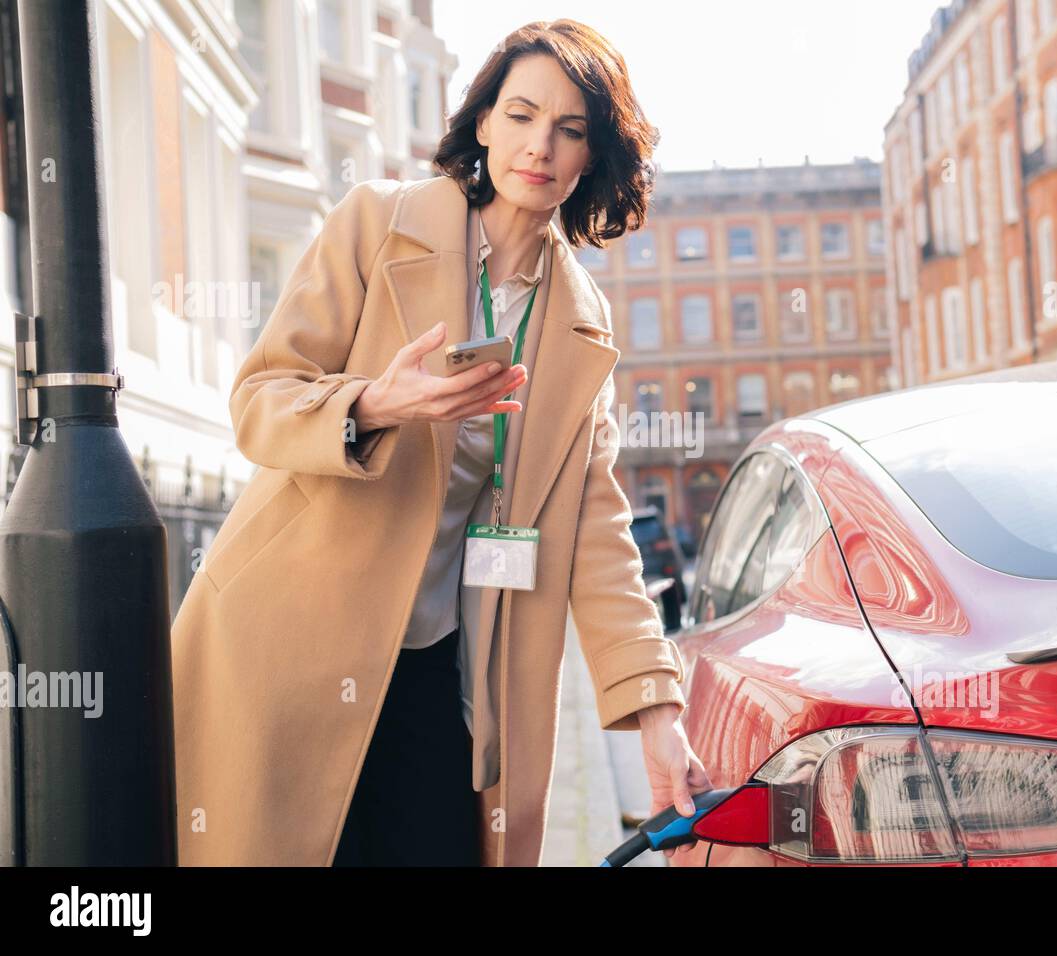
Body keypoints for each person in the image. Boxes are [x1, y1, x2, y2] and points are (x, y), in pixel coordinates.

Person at [170, 19, 711, 867]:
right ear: (484, 122)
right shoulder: (376, 224)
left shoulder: (579, 324)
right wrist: (376, 402)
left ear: (591, 156)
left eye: (570, 130)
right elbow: (258, 403)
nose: (540, 146)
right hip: (294, 643)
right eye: (522, 115)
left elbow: (600, 536)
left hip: (445, 667)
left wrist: (658, 714)